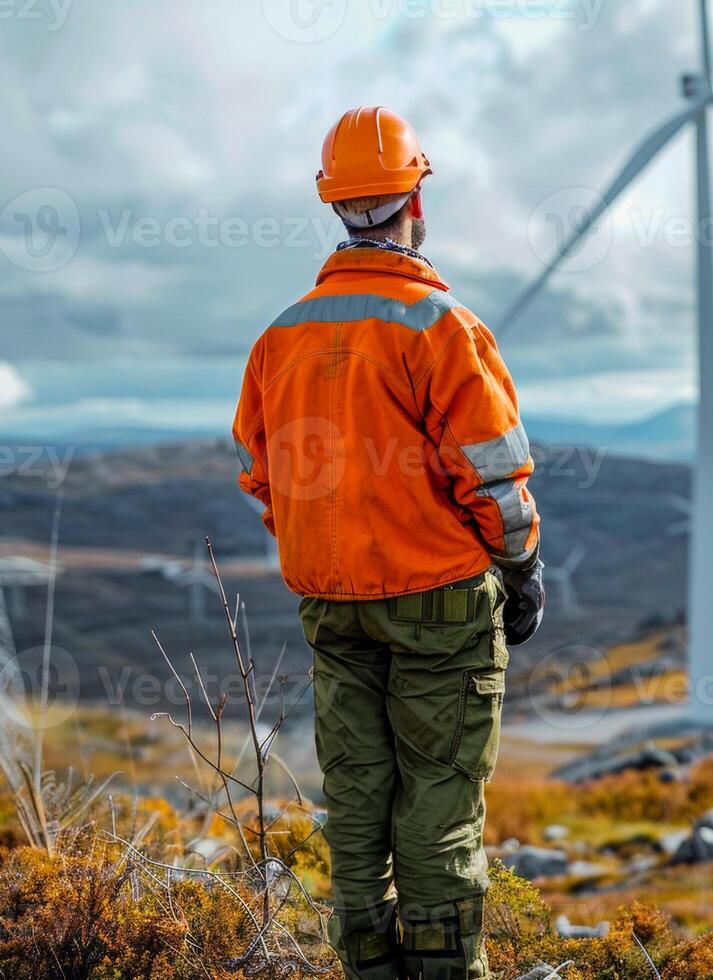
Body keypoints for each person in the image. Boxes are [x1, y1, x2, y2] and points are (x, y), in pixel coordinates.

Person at [231, 105, 547, 980]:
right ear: (416, 198)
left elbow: (262, 474)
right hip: (439, 600)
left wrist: (329, 550)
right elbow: (491, 475)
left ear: (334, 205)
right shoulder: (441, 327)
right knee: (439, 808)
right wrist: (520, 569)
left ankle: (367, 969)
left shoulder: (279, 337)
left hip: (331, 607)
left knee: (358, 802)